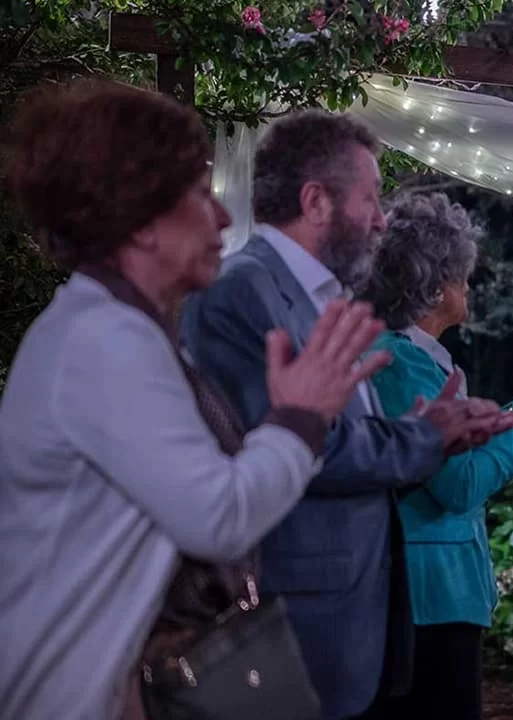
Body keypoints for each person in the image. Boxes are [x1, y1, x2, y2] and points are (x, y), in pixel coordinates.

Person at [0, 81, 387, 720]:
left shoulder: (113, 327)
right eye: (201, 195)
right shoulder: (106, 339)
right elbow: (219, 517)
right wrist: (301, 416)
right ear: (142, 222)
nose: (225, 218)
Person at [180, 110, 513, 720]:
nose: (382, 219)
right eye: (371, 198)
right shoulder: (241, 293)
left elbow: (336, 433)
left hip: (354, 618)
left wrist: (425, 431)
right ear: (316, 202)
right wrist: (423, 438)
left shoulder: (322, 300)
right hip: (297, 617)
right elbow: (291, 449)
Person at [358, 189, 513, 720]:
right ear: (436, 284)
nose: (469, 283)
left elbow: (458, 449)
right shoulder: (400, 363)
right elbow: (459, 484)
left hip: (431, 595)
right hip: (428, 595)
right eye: (462, 273)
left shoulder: (411, 357)